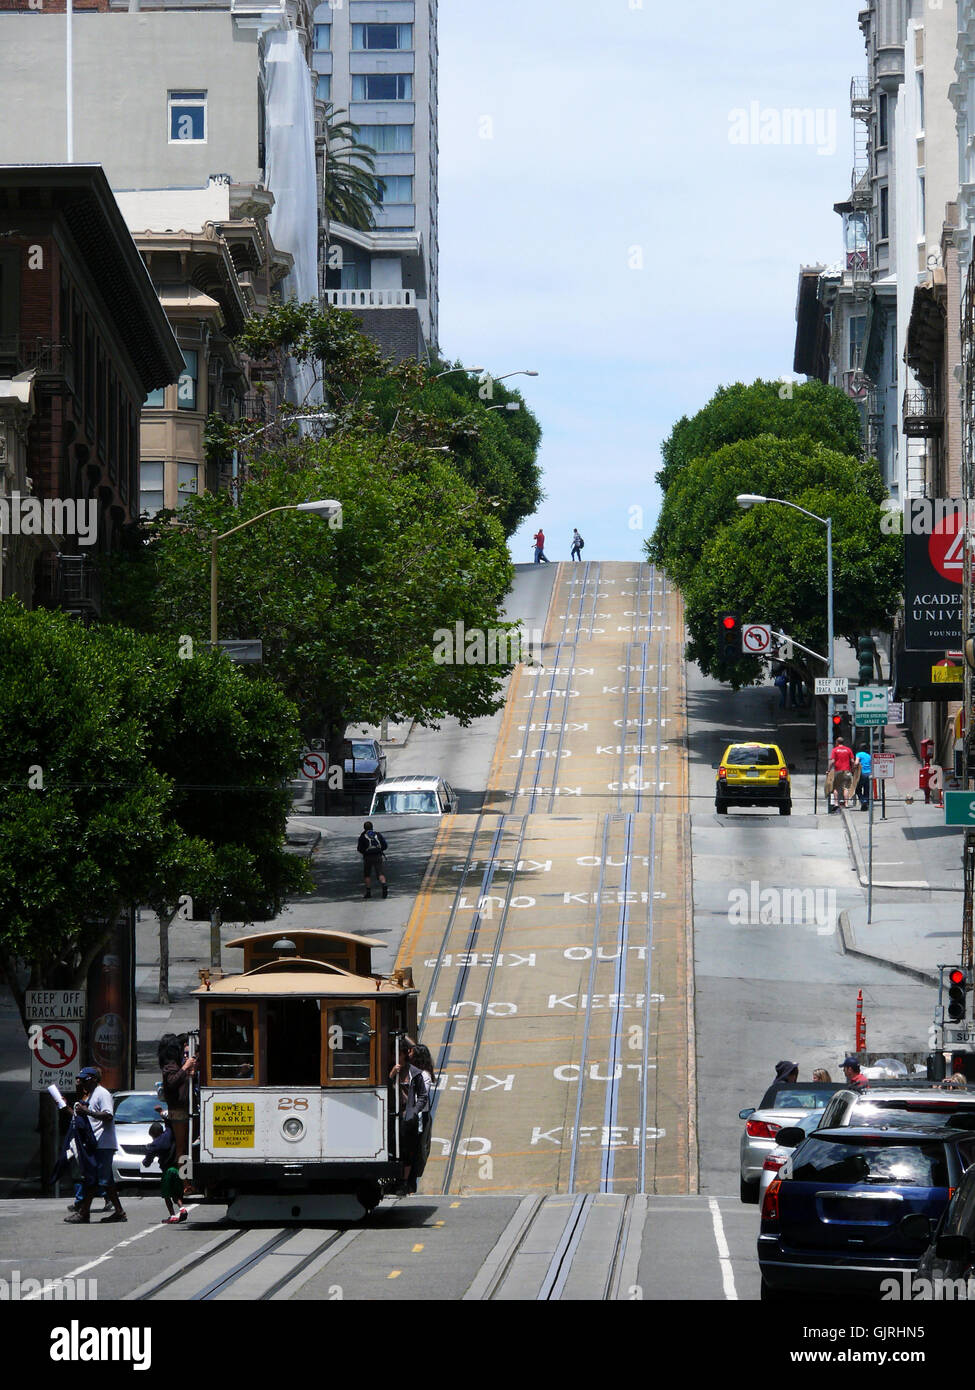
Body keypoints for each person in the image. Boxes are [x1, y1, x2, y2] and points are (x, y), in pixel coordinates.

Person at [63, 1066, 126, 1223]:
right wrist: (68, 1109)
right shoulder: (90, 1096)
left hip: (104, 1143)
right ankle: (118, 1212)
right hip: (96, 1143)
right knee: (101, 1179)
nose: (81, 1082)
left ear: (93, 1079)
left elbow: (108, 1115)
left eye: (84, 1080)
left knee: (95, 1178)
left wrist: (88, 1112)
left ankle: (85, 1213)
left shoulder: (102, 1093)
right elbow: (84, 1117)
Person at [389, 1041, 429, 1196]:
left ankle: (405, 1183)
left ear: (405, 1055)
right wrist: (391, 1076)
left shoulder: (415, 1073)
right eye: (394, 1054)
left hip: (407, 1117)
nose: (395, 1057)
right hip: (393, 1115)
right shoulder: (391, 1071)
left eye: (398, 1054)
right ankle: (395, 1180)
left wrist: (413, 1111)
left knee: (407, 1150)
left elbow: (423, 1096)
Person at [158, 1035, 196, 1186]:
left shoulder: (173, 1065)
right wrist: (185, 1068)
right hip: (178, 1110)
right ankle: (185, 1183)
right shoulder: (170, 1065)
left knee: (184, 1147)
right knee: (182, 1148)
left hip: (181, 1108)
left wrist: (187, 1073)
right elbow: (172, 1081)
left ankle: (186, 1180)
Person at [143, 1117, 187, 1224]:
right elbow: (169, 1124)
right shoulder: (169, 1134)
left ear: (153, 1134)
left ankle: (172, 1215)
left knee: (167, 1194)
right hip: (177, 1169)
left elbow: (147, 1162)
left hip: (167, 1171)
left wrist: (146, 1159)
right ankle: (182, 1209)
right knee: (176, 1193)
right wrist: (163, 1115)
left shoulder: (155, 1145)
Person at [407, 1039, 436, 1190]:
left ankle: (410, 1181)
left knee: (416, 1147)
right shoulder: (416, 1072)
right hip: (416, 1114)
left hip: (419, 1116)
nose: (408, 1054)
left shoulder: (423, 1075)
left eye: (411, 1052)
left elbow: (421, 1098)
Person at [357, 820, 388, 899]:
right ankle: (384, 885)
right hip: (378, 856)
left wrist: (365, 853)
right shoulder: (377, 834)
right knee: (380, 873)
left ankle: (368, 892)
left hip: (368, 857)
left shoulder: (362, 836)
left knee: (367, 874)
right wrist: (380, 850)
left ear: (364, 828)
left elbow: (359, 848)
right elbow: (385, 845)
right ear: (372, 827)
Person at [829, 738, 856, 810]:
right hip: (847, 771)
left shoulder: (835, 750)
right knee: (846, 788)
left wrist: (828, 770)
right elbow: (852, 761)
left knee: (835, 788)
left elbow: (832, 761)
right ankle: (846, 804)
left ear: (837, 742)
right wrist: (852, 769)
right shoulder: (848, 750)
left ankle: (836, 803)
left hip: (838, 771)